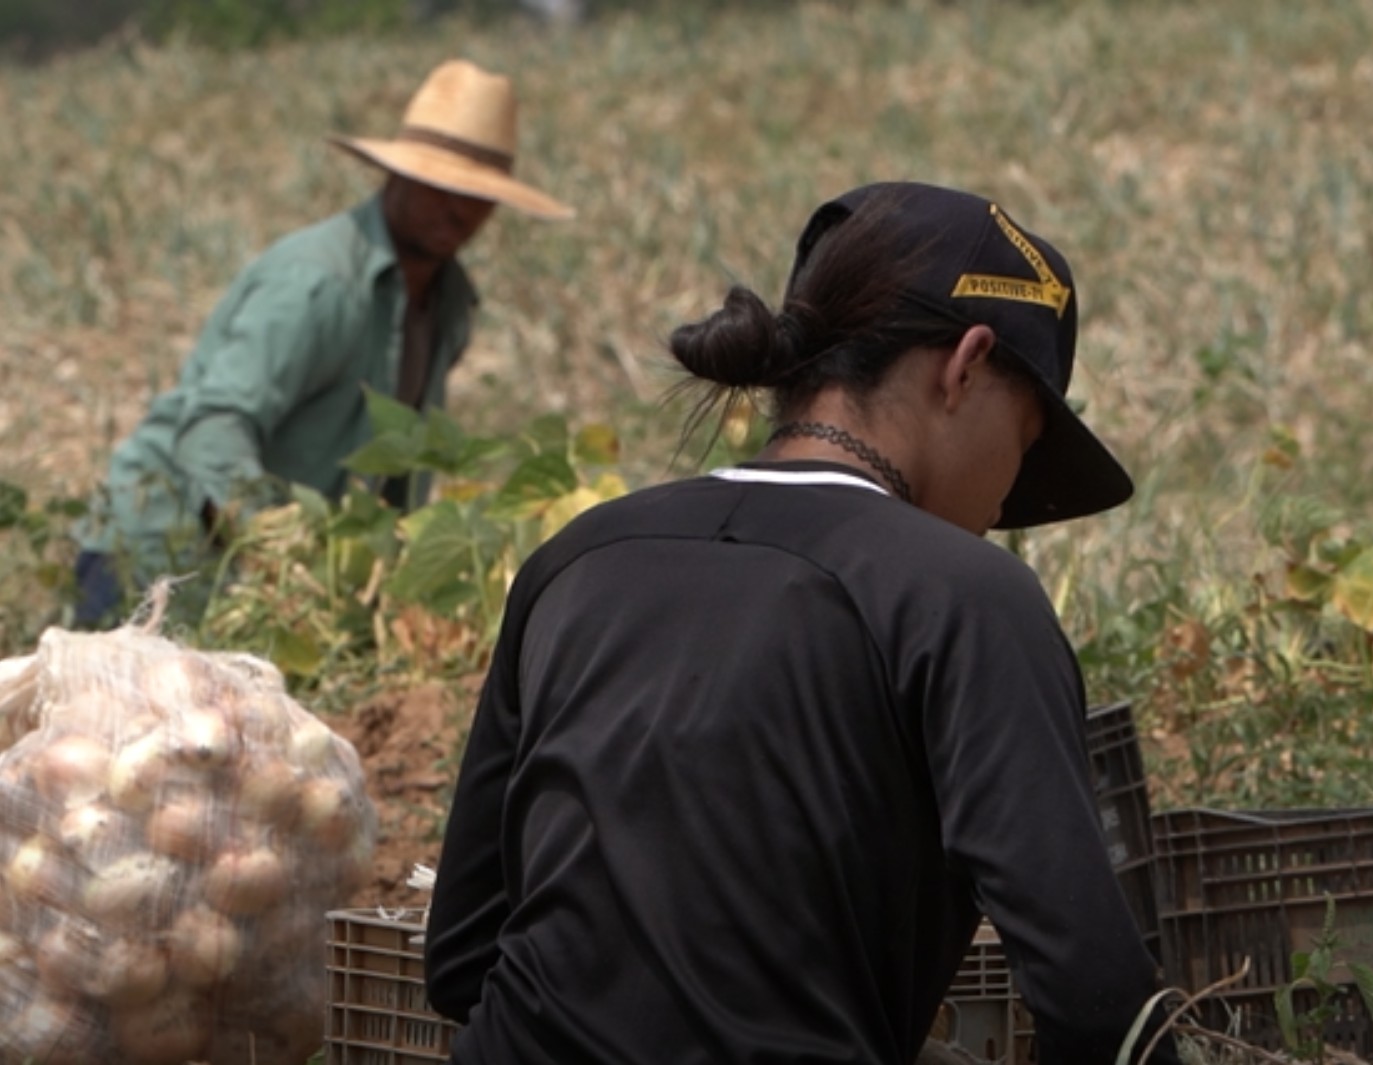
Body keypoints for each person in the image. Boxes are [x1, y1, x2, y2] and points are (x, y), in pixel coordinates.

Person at [425, 181, 1182, 1065]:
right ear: (967, 364)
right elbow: (1095, 1001)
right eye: (1023, 442)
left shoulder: (577, 557)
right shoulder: (963, 595)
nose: (1009, 492)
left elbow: (463, 957)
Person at [72, 58, 569, 625]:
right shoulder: (318, 283)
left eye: (476, 194)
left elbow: (399, 463)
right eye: (438, 186)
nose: (456, 209)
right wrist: (276, 547)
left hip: (272, 585)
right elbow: (215, 426)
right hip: (161, 557)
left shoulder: (449, 304)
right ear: (397, 176)